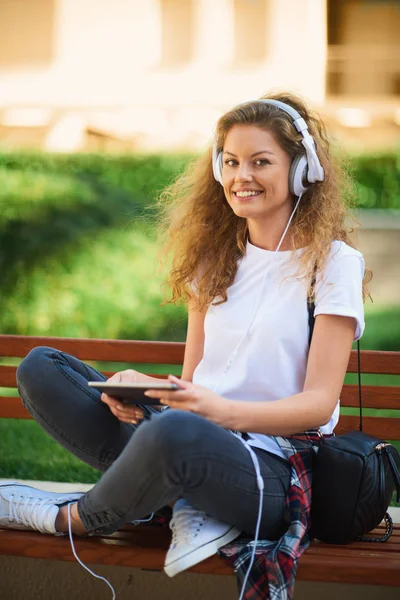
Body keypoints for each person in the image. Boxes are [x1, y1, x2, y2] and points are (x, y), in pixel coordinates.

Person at [0, 92, 369, 598]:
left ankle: (76, 519)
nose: (243, 176)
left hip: (272, 469)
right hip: (189, 435)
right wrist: (145, 391)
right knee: (41, 369)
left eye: (262, 162)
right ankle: (187, 500)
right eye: (233, 161)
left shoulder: (333, 263)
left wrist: (217, 413)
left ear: (301, 170)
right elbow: (196, 382)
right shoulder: (214, 259)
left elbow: (317, 405)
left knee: (177, 435)